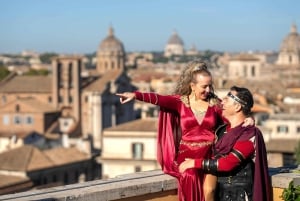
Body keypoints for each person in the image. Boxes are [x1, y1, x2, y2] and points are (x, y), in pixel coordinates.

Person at [116, 61, 253, 201]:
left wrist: (247, 119)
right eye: (204, 86)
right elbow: (158, 99)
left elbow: (232, 117)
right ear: (192, 86)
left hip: (209, 155)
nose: (208, 90)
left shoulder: (215, 104)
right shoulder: (180, 102)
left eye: (210, 86)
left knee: (210, 190)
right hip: (187, 155)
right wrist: (135, 95)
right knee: (191, 176)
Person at [179, 86, 271, 201]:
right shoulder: (221, 130)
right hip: (220, 194)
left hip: (240, 196)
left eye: (227, 99)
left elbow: (228, 163)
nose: (222, 102)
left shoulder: (249, 133)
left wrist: (194, 163)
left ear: (237, 106)